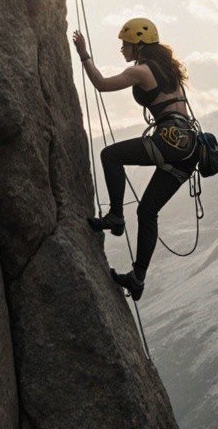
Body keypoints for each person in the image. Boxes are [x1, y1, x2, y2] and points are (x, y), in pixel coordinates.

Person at [73, 18, 199, 300]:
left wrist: (83, 53)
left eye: (124, 44)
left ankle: (116, 216)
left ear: (138, 46)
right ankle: (137, 279)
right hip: (187, 149)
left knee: (110, 155)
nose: (121, 49)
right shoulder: (169, 72)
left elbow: (101, 84)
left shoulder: (142, 71)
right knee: (147, 211)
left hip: (169, 140)